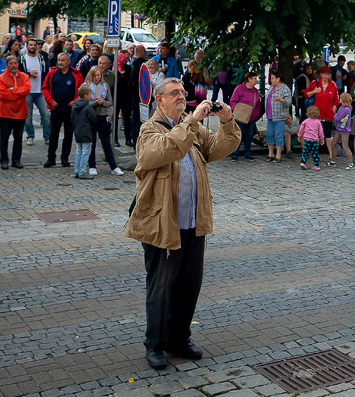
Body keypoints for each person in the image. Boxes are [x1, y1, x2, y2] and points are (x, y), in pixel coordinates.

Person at [127, 78, 240, 371]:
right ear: (159, 99)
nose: (181, 96)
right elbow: (162, 151)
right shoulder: (149, 129)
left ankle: (179, 338)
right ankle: (155, 345)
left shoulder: (191, 128)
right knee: (162, 286)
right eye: (174, 93)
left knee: (189, 284)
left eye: (183, 92)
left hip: (193, 220)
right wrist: (191, 121)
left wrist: (226, 121)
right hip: (162, 223)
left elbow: (220, 147)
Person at [43, 53, 83, 168]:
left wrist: (75, 100)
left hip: (70, 109)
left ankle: (65, 158)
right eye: (59, 60)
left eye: (63, 60)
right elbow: (45, 88)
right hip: (56, 108)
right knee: (53, 134)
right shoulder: (52, 73)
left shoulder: (76, 73)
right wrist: (50, 101)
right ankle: (51, 158)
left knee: (68, 134)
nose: (60, 62)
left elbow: (82, 89)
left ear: (68, 61)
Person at [85, 65, 122, 175]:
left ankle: (114, 166)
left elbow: (110, 102)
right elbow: (82, 102)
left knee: (106, 142)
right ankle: (92, 166)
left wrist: (103, 102)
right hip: (90, 117)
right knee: (92, 142)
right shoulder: (86, 86)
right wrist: (94, 103)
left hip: (102, 116)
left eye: (98, 75)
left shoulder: (105, 86)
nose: (97, 78)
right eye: (94, 75)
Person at [0, 55, 29, 170]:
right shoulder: (1, 78)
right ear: (6, 65)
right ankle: (4, 160)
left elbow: (27, 90)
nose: (13, 65)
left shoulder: (24, 76)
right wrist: (18, 95)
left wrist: (12, 90)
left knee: (18, 138)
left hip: (21, 112)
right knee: (4, 138)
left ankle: (16, 160)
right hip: (5, 113)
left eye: (15, 63)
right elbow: (2, 95)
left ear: (18, 64)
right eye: (11, 63)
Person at [21, 38, 51, 146]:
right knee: (28, 117)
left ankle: (47, 137)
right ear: (27, 46)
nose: (33, 47)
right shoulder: (22, 59)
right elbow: (19, 73)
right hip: (28, 91)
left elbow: (46, 73)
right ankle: (30, 136)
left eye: (35, 45)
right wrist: (29, 74)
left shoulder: (41, 58)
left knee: (46, 114)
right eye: (31, 45)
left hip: (40, 91)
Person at [228, 72, 261, 161]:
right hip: (240, 116)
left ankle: (247, 153)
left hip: (251, 117)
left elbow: (258, 104)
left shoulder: (255, 91)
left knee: (249, 135)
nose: (256, 80)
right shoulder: (239, 88)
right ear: (249, 79)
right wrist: (236, 111)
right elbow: (233, 101)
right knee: (239, 135)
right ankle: (234, 154)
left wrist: (256, 115)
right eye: (254, 78)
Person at [72, 85, 98, 179]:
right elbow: (93, 119)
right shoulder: (88, 106)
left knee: (79, 152)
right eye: (90, 94)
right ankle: (82, 171)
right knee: (85, 152)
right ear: (86, 95)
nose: (91, 96)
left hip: (77, 131)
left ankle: (77, 170)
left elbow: (72, 118)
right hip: (86, 132)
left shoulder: (75, 106)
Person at [265, 71, 292, 163]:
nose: (271, 80)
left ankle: (278, 155)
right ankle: (270, 153)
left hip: (279, 116)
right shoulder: (271, 87)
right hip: (270, 116)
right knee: (269, 134)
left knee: (278, 135)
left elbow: (288, 102)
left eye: (273, 78)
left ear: (278, 79)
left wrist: (281, 100)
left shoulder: (285, 89)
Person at [298, 106, 325, 170]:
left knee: (305, 152)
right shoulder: (318, 122)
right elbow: (320, 132)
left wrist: (299, 136)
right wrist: (322, 139)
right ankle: (317, 165)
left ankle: (303, 162)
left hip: (307, 139)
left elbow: (301, 129)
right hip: (314, 140)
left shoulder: (305, 121)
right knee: (315, 152)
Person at [334, 93, 355, 167]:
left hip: (344, 130)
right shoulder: (341, 107)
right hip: (339, 128)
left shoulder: (346, 109)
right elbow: (338, 117)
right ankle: (332, 160)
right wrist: (337, 116)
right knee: (333, 143)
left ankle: (351, 162)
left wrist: (335, 115)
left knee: (345, 146)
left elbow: (337, 117)